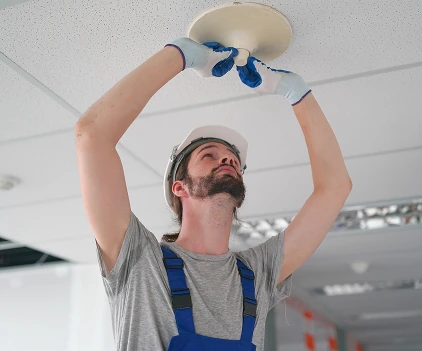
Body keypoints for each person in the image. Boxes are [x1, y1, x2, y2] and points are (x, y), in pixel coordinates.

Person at [75, 37, 352, 351]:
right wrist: (180, 55)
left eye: (233, 160)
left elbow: (335, 188)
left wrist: (296, 92)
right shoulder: (139, 261)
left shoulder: (256, 274)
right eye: (209, 154)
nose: (228, 159)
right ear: (179, 188)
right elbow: (91, 133)